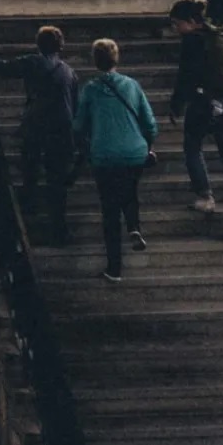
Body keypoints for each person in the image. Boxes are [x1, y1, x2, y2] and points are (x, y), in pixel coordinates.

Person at [0, 26, 79, 242]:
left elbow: (3, 68)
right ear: (61, 46)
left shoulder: (32, 62)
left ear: (38, 45)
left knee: (30, 168)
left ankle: (28, 207)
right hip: (62, 130)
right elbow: (75, 105)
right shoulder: (69, 72)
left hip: (36, 125)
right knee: (57, 181)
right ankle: (59, 229)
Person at [74, 37, 158, 283]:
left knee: (109, 210)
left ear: (95, 60)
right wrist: (149, 143)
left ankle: (114, 268)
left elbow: (78, 125)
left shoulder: (90, 89)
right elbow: (149, 122)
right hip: (134, 152)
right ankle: (134, 227)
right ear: (116, 59)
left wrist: (85, 145)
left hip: (104, 155)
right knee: (130, 191)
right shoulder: (132, 86)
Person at [169, 0, 223, 239]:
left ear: (191, 21)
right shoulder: (220, 36)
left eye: (177, 24)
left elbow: (186, 76)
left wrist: (176, 104)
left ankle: (205, 197)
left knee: (192, 146)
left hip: (203, 103)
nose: (176, 29)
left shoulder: (192, 41)